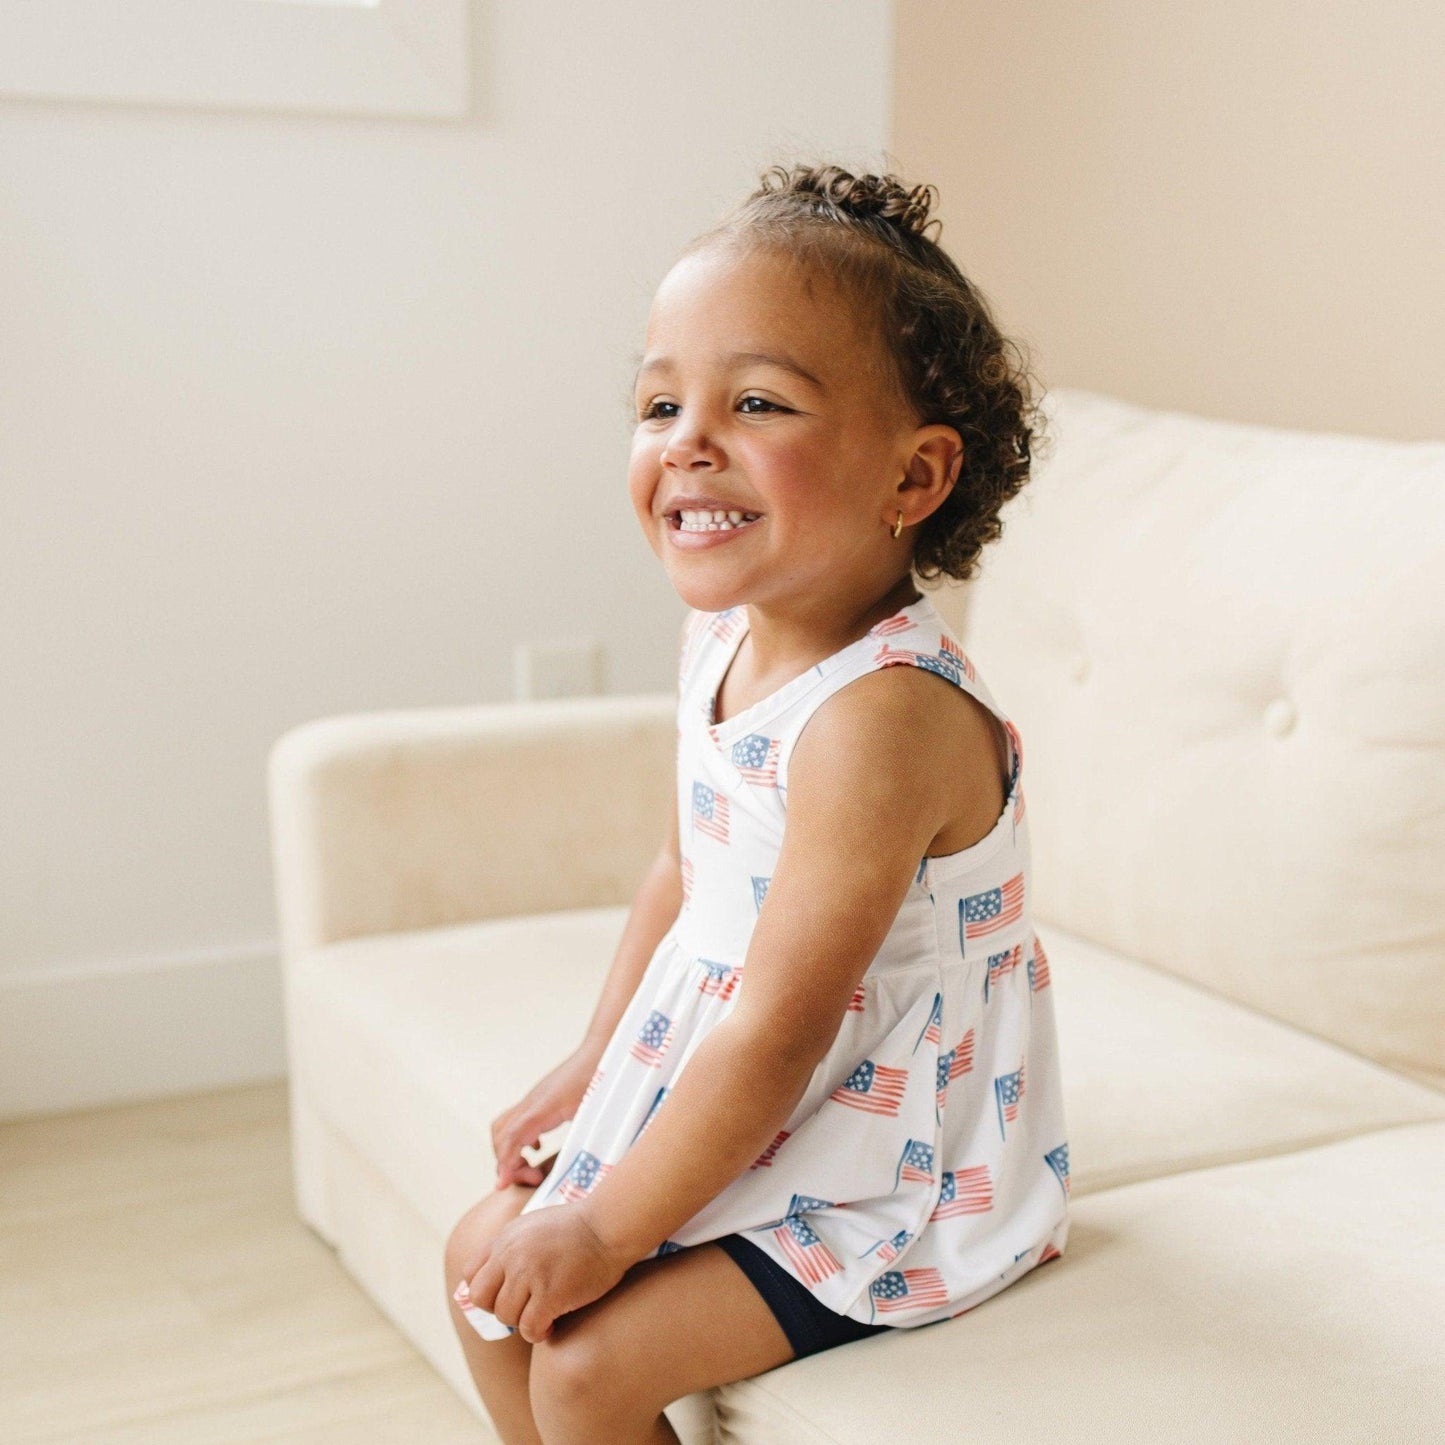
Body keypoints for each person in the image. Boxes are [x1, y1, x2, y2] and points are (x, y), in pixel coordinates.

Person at [444, 160, 1071, 1445]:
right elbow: (682, 877)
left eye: (757, 401)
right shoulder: (722, 634)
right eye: (660, 400)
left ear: (914, 477)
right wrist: (588, 1063)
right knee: (484, 1270)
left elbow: (784, 1030)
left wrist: (603, 1227)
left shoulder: (881, 718)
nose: (686, 438)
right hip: (739, 1085)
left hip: (888, 1154)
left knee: (584, 1362)